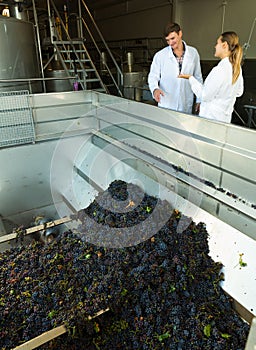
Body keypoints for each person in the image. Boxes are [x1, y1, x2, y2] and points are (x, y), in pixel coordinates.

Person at [178, 31, 244, 123]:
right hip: (225, 119)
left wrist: (190, 78)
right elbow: (239, 92)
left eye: (217, 43)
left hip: (211, 119)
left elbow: (204, 95)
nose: (215, 46)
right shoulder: (237, 68)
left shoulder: (219, 70)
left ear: (224, 45)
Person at [148, 22, 203, 114]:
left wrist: (199, 99)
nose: (170, 43)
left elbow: (198, 77)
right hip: (167, 103)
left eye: (172, 38)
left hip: (185, 103)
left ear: (180, 34)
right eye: (167, 40)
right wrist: (155, 89)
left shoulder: (193, 53)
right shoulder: (160, 55)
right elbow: (153, 76)